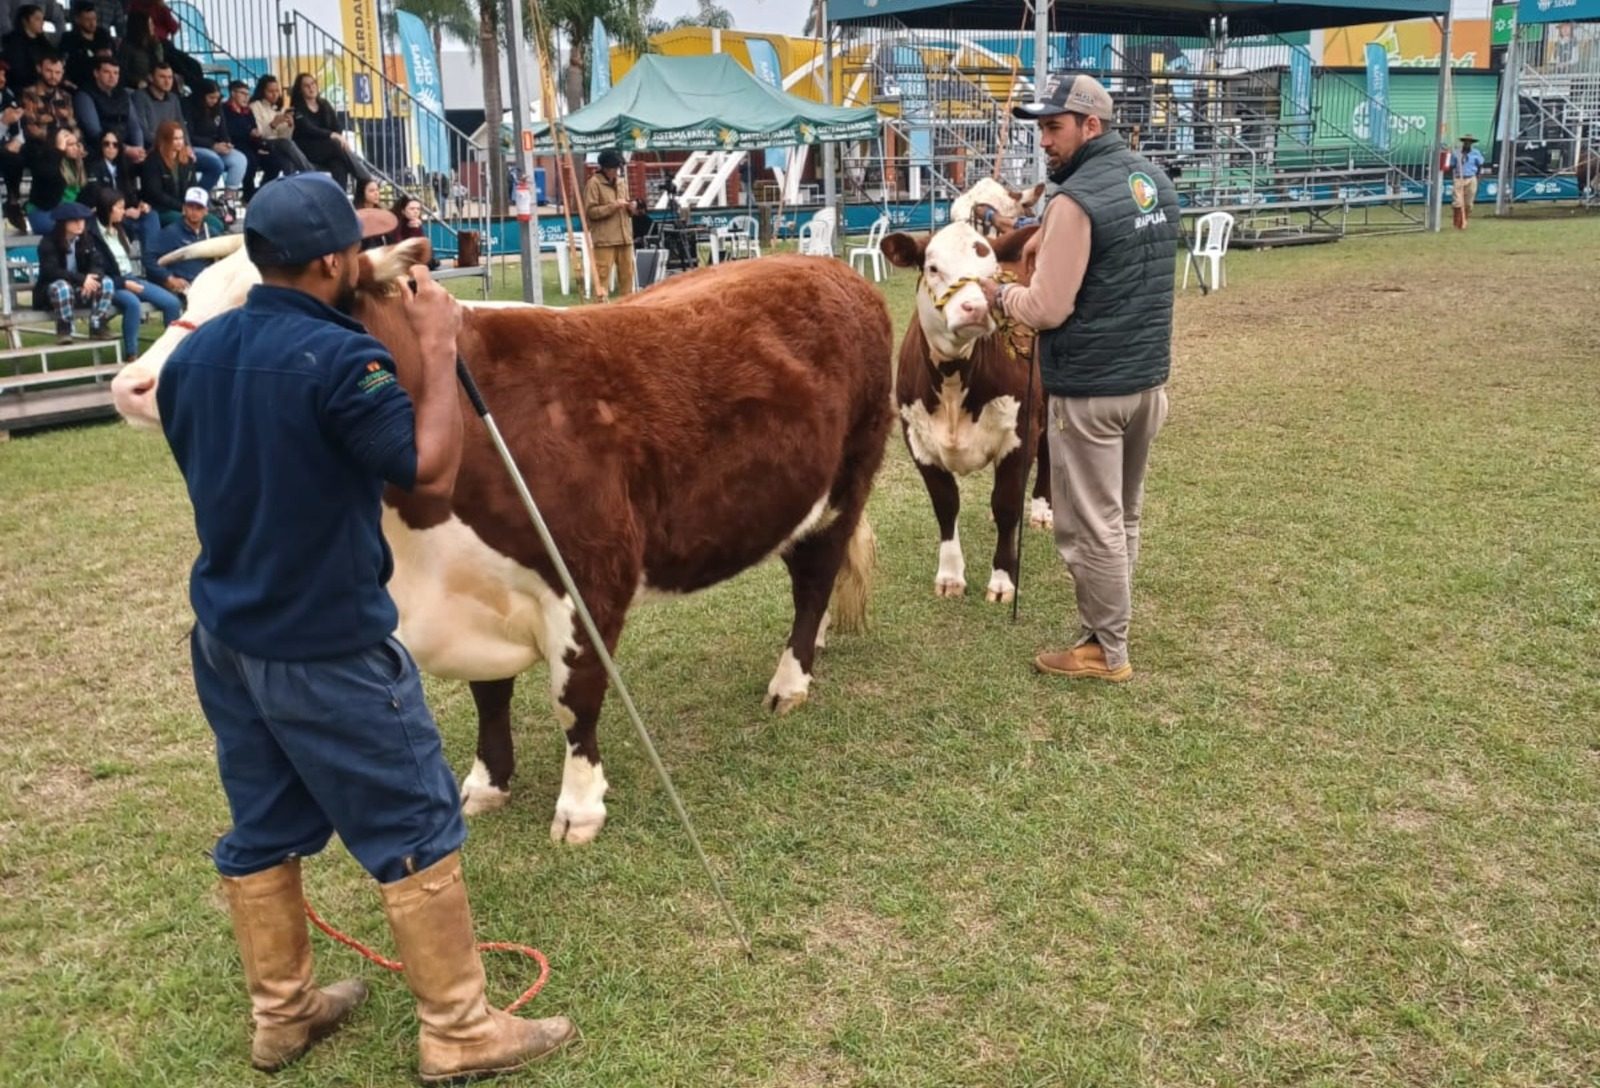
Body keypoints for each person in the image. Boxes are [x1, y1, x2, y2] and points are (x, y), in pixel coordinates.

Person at [154, 172, 577, 1081]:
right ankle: (461, 1030)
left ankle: (284, 1013)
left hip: (228, 637)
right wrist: (433, 344)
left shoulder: (193, 358)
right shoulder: (347, 362)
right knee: (414, 819)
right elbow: (427, 469)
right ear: (336, 262)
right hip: (327, 642)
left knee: (262, 823)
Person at [981, 73, 1180, 683]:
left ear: (1091, 125)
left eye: (1054, 127)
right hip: (1146, 381)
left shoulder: (1074, 201)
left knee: (1089, 524)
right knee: (1122, 516)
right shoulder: (1151, 179)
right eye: (1040, 128)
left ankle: (1106, 650)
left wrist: (999, 294)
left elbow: (1045, 310)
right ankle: (1106, 629)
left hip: (1092, 389)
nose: (1044, 140)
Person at [87, 183, 180, 359]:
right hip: (111, 283)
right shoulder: (91, 234)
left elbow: (142, 221)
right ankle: (132, 353)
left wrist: (143, 209)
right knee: (132, 303)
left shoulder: (121, 227)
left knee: (172, 303)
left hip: (130, 277)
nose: (123, 211)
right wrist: (124, 283)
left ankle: (172, 351)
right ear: (108, 208)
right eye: (120, 208)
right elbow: (97, 272)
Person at [135, 62, 223, 191]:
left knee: (215, 165)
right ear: (151, 78)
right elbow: (143, 129)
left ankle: (197, 199)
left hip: (178, 147)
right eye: (162, 77)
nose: (167, 81)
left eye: (170, 77)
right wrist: (169, 144)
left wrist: (187, 146)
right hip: (154, 150)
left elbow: (181, 123)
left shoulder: (173, 98)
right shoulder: (140, 97)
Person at [34, 199, 113, 340]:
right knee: (62, 287)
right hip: (52, 294)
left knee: (107, 282)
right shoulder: (48, 242)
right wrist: (82, 280)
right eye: (75, 221)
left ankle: (97, 324)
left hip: (80, 289)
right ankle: (64, 328)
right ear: (63, 223)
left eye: (82, 220)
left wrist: (91, 278)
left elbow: (98, 263)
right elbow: (51, 271)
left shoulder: (87, 239)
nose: (80, 224)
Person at [289, 72, 367, 192]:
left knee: (339, 164)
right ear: (300, 90)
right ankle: (365, 178)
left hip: (328, 149)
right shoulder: (297, 108)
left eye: (313, 84)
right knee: (336, 145)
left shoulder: (324, 104)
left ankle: (340, 198)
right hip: (309, 149)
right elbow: (308, 129)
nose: (311, 88)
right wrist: (331, 135)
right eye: (306, 86)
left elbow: (337, 127)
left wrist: (336, 135)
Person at [142, 120, 221, 230]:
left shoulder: (187, 160)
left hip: (186, 208)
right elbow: (156, 194)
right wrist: (181, 207)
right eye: (175, 139)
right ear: (165, 139)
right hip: (163, 209)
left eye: (181, 138)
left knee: (217, 225)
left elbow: (193, 186)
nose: (180, 142)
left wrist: (194, 207)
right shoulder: (153, 161)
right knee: (192, 225)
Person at [140, 184, 215, 293]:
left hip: (207, 287)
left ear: (206, 211)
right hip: (183, 289)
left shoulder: (212, 233)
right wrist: (169, 278)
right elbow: (148, 258)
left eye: (199, 208)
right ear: (184, 208)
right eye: (190, 207)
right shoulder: (171, 232)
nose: (194, 211)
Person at [583, 148, 636, 300]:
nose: (617, 171)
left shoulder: (621, 183)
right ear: (605, 168)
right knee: (602, 279)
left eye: (619, 167)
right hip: (605, 240)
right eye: (615, 168)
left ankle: (627, 311)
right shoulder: (593, 184)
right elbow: (591, 212)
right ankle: (599, 312)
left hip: (625, 238)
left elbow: (626, 208)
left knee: (628, 278)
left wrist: (631, 208)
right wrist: (613, 206)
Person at [74, 54, 146, 163]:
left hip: (127, 149)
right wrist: (126, 149)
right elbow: (94, 132)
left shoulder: (123, 94)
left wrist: (139, 149)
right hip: (100, 151)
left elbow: (135, 126)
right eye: (107, 72)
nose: (112, 76)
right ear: (96, 73)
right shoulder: (85, 95)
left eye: (116, 73)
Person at [186, 78, 246, 206]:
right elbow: (189, 136)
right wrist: (212, 145)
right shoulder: (189, 107)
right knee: (214, 161)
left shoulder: (217, 107)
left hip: (216, 146)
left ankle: (228, 198)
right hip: (196, 147)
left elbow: (222, 129)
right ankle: (199, 196)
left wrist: (227, 143)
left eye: (217, 98)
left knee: (240, 160)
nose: (214, 101)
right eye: (211, 97)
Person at [247, 74, 312, 186]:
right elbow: (259, 133)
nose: (274, 94)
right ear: (263, 91)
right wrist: (273, 124)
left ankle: (290, 190)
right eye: (270, 91)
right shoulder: (255, 106)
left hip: (279, 144)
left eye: (277, 91)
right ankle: (311, 173)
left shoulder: (279, 109)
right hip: (263, 143)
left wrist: (289, 125)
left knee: (288, 160)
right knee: (286, 144)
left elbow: (285, 136)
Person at [24, 123, 84, 232]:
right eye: (70, 144)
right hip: (43, 212)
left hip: (67, 212)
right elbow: (50, 195)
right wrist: (59, 151)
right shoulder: (44, 160)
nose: (76, 148)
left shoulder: (77, 163)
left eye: (76, 144)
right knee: (70, 229)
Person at [59, 0, 112, 90]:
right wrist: (96, 58)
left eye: (94, 19)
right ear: (77, 19)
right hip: (82, 83)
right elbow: (70, 64)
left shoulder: (103, 35)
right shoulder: (69, 38)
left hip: (106, 81)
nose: (92, 23)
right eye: (87, 19)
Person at [0, 59, 26, 229]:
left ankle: (15, 201)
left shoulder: (8, 96)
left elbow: (20, 128)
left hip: (8, 148)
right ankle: (13, 201)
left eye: (3, 74)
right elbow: (7, 122)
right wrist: (3, 123)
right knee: (11, 159)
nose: (2, 78)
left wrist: (17, 141)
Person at [1, 5, 52, 90]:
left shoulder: (43, 42)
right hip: (20, 86)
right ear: (25, 21)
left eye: (43, 19)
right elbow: (17, 69)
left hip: (45, 83)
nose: (42, 22)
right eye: (37, 19)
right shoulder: (13, 41)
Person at [1447, 134, 1484, 231]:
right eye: (1466, 142)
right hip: (1459, 178)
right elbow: (1452, 165)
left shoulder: (1476, 153)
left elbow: (1480, 166)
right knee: (1457, 202)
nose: (1468, 144)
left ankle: (1464, 220)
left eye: (1470, 142)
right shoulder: (1457, 153)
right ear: (1463, 142)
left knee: (1468, 203)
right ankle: (1457, 222)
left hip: (1471, 177)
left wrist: (1478, 178)